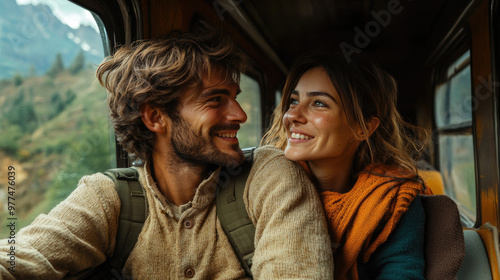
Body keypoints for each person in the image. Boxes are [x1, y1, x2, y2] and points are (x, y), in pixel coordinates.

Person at [0, 27, 333, 279]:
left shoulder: (268, 176)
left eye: (234, 97)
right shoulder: (109, 198)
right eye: (216, 99)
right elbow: (23, 256)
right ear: (155, 117)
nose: (240, 115)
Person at [262, 53, 432, 280]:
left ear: (364, 128)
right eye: (293, 101)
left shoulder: (393, 200)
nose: (292, 115)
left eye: (319, 103)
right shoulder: (262, 184)